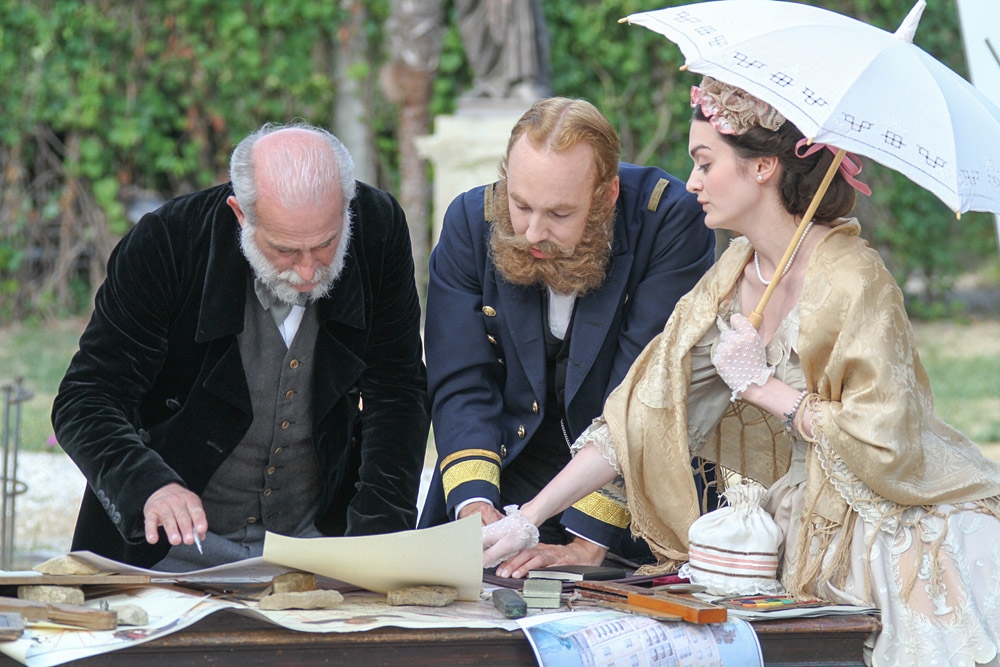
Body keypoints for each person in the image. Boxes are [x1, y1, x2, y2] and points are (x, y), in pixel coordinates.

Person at [484, 77, 1000, 666]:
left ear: (763, 168)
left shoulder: (853, 279)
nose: (692, 182)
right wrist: (529, 519)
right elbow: (645, 411)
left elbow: (888, 444)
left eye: (705, 163)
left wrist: (765, 389)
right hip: (794, 524)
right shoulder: (736, 271)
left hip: (890, 534)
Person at [52, 122, 430, 570]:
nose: (308, 271)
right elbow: (86, 399)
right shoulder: (166, 241)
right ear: (240, 213)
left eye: (326, 244)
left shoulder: (378, 227)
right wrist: (148, 486)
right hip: (170, 554)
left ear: (347, 208)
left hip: (318, 548)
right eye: (284, 250)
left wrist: (377, 538)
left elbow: (397, 390)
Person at [419, 97, 716, 570]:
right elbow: (463, 379)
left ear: (607, 196)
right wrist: (475, 506)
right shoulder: (471, 221)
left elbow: (641, 396)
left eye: (559, 214)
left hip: (625, 506)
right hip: (503, 472)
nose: (533, 232)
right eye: (521, 205)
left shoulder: (669, 221)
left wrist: (587, 543)